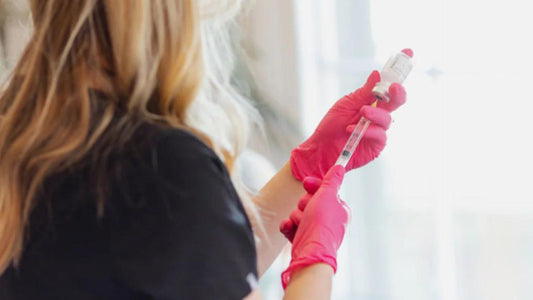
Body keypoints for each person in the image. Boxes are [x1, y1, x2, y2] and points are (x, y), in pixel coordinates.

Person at [0, 1, 407, 299]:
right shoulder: (160, 166)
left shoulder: (29, 138)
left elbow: (199, 273)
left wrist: (310, 166)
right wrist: (316, 258)